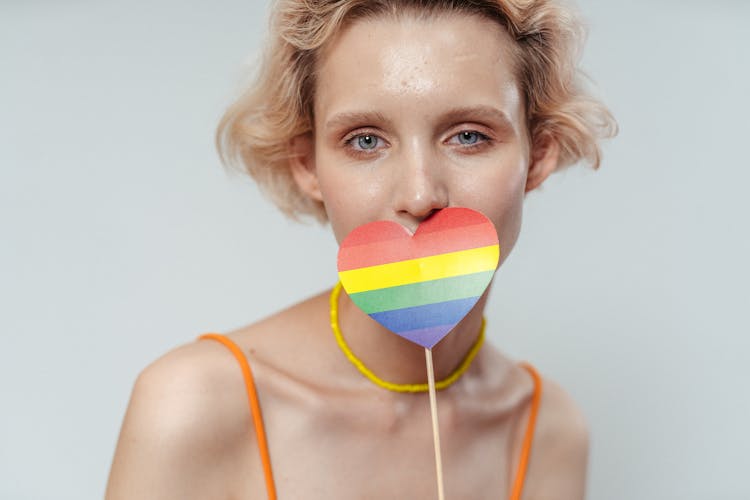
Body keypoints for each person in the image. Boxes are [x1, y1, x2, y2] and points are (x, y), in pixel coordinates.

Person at [105, 0, 616, 498]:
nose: (419, 195)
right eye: (366, 141)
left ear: (539, 152)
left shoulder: (550, 430)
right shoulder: (193, 404)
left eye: (467, 135)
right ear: (307, 165)